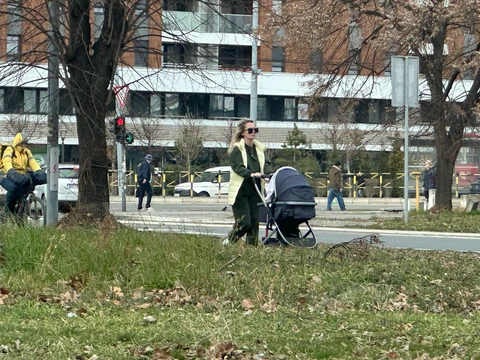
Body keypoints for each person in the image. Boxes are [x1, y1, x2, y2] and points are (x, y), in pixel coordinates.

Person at [223, 119, 272, 246]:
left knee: (254, 223)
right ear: (243, 133)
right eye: (250, 130)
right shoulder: (237, 149)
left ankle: (252, 249)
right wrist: (249, 173)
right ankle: (229, 241)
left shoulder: (260, 149)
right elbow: (237, 167)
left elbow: (266, 163)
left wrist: (269, 173)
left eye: (255, 130)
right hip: (241, 191)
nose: (253, 132)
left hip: (255, 190)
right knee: (244, 223)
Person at [0, 133, 46, 214]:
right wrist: (11, 171)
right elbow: (6, 161)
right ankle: (7, 212)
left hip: (21, 177)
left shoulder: (27, 152)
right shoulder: (10, 149)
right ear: (18, 142)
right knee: (13, 189)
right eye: (23, 143)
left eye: (25, 143)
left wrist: (38, 171)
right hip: (8, 176)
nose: (24, 145)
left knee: (25, 193)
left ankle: (20, 215)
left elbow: (33, 163)